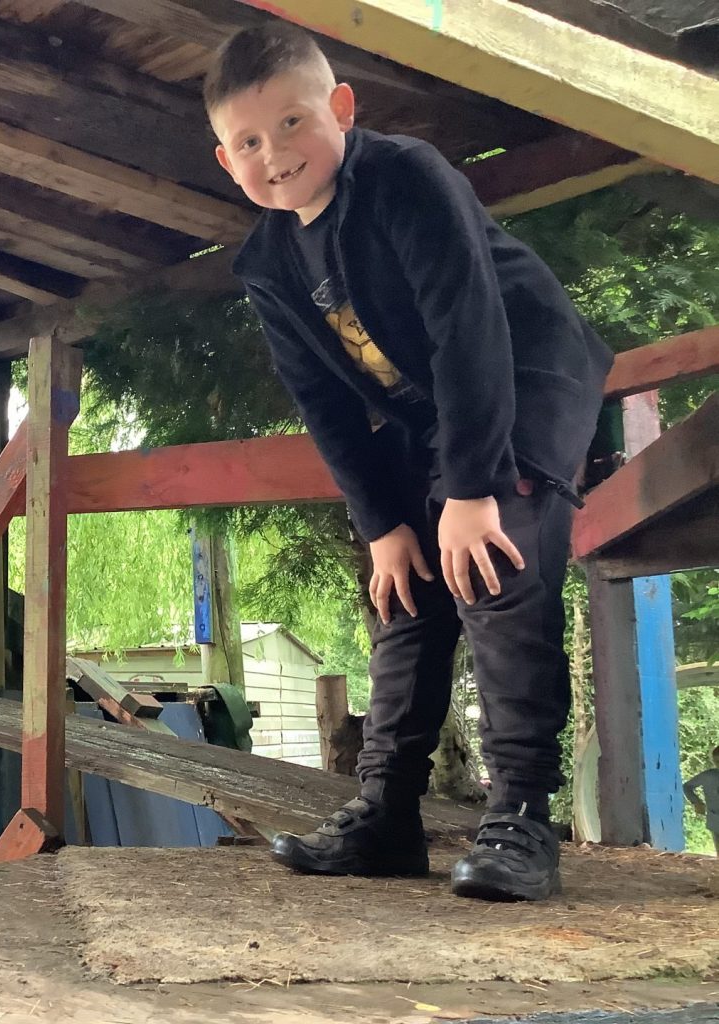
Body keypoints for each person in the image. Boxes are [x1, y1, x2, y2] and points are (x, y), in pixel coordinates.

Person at [204, 23, 613, 900]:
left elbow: (470, 328)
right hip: (429, 408)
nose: (274, 154)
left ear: (341, 108)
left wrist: (472, 488)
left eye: (291, 123)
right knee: (406, 583)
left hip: (525, 371)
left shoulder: (404, 177)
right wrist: (384, 524)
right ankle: (387, 811)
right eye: (248, 142)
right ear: (225, 159)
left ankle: (520, 815)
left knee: (494, 562)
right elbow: (323, 406)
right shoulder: (267, 261)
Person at [683, 745, 719, 854]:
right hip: (716, 820)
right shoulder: (708, 776)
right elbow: (687, 786)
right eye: (717, 761)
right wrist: (696, 802)